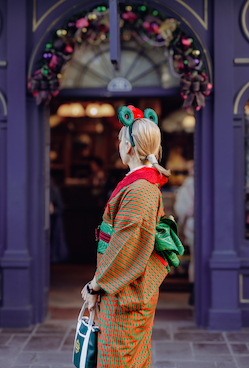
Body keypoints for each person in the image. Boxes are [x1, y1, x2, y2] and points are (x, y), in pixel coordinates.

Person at [81, 105, 170, 367]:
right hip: (127, 287)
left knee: (116, 359)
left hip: (124, 294)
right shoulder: (143, 184)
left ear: (129, 147)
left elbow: (124, 246)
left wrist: (96, 284)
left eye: (120, 140)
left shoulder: (140, 188)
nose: (119, 145)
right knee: (133, 359)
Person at [174, 160, 194, 304]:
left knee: (195, 259)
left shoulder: (185, 187)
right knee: (196, 259)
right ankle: (195, 291)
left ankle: (194, 292)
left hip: (192, 225)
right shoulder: (189, 186)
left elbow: (179, 208)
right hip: (196, 225)